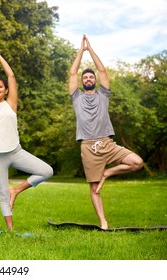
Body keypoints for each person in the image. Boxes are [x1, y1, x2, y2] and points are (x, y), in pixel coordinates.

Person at [69, 35, 143, 229]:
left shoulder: (103, 94)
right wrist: (80, 51)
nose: (88, 78)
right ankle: (103, 222)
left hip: (107, 143)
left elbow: (102, 69)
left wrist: (90, 49)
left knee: (137, 162)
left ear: (94, 80)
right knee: (94, 188)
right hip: (88, 146)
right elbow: (71, 73)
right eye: (85, 77)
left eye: (90, 76)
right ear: (82, 81)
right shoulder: (76, 97)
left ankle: (107, 173)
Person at [0, 40, 53, 231]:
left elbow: (11, 75)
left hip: (15, 152)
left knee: (46, 171)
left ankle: (17, 190)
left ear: (6, 90)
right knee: (3, 194)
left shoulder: (11, 104)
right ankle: (11, 231)